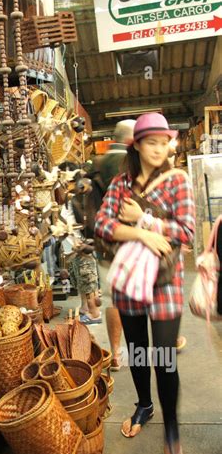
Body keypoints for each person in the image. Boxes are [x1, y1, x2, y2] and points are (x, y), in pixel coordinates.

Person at [94, 112, 195, 454]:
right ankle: (144, 405)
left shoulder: (178, 181)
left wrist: (146, 221)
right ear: (136, 145)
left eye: (163, 142)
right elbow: (102, 225)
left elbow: (185, 230)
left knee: (165, 358)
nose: (158, 148)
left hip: (165, 284)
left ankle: (171, 430)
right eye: (150, 142)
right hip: (130, 282)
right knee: (138, 350)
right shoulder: (120, 182)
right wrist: (143, 237)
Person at [97, 120, 136, 370]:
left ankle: (115, 354)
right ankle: (169, 341)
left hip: (105, 241)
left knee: (112, 298)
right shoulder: (133, 164)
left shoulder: (97, 162)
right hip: (132, 237)